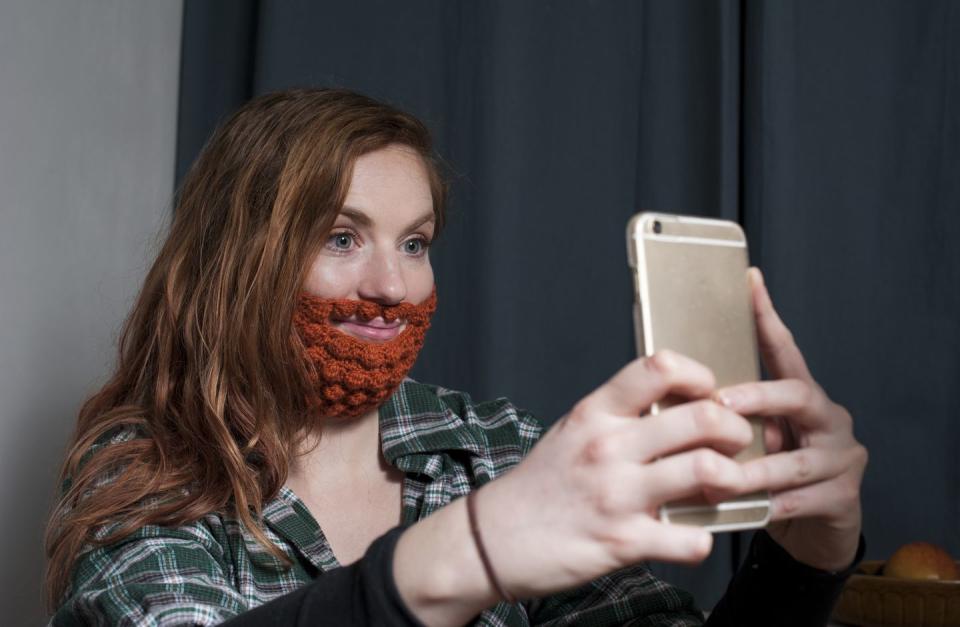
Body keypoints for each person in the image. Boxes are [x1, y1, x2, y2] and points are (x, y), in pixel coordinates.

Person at [45, 88, 867, 626]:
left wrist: (804, 561)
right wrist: (468, 551)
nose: (391, 284)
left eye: (415, 242)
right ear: (240, 258)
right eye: (342, 237)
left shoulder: (501, 447)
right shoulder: (141, 471)